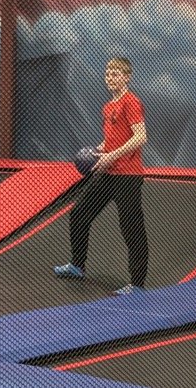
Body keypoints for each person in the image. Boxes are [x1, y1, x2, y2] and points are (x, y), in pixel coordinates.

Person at [54, 57, 149, 296]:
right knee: (79, 213)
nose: (110, 77)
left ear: (127, 77)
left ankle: (137, 285)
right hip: (107, 173)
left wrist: (111, 156)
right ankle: (77, 266)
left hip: (127, 176)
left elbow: (140, 137)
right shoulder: (107, 107)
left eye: (116, 74)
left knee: (131, 228)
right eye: (108, 73)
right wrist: (97, 152)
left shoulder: (131, 102)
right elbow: (110, 139)